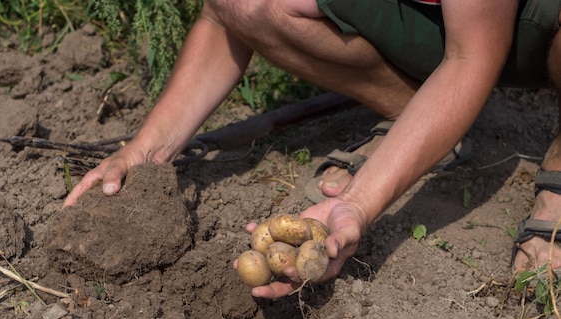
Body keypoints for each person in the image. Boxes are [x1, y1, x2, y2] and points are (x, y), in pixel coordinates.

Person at [63, 0, 561, 299]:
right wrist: (146, 150)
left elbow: (472, 56)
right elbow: (221, 18)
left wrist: (359, 204)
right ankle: (424, 121)